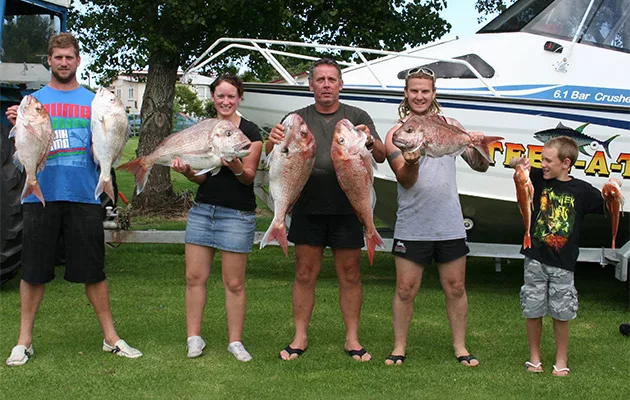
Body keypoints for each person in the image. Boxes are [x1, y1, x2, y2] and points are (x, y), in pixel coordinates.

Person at [4, 33, 142, 366]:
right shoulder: (30, 102)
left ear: (78, 61)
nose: (64, 62)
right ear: (48, 60)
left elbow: (102, 149)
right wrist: (18, 127)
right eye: (58, 57)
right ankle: (24, 341)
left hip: (84, 195)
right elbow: (20, 156)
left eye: (69, 57)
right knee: (33, 272)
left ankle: (111, 337)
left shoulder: (95, 101)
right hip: (41, 197)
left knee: (93, 271)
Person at [266, 58, 386, 361]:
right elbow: (275, 157)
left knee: (350, 274)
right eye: (320, 80)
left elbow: (382, 155)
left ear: (341, 84)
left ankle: (352, 339)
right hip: (307, 205)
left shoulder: (357, 116)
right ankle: (300, 336)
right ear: (310, 85)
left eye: (332, 80)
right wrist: (271, 141)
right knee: (305, 273)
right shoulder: (296, 117)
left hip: (349, 207)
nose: (326, 85)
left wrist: (369, 140)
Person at [383, 67, 488, 367]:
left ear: (433, 94)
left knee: (456, 287)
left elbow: (480, 165)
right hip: (412, 224)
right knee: (405, 289)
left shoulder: (452, 125)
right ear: (406, 93)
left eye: (425, 91)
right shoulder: (396, 134)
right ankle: (399, 347)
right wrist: (413, 162)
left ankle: (461, 347)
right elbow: (405, 179)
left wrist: (477, 144)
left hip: (449, 222)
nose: (419, 96)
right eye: (413, 91)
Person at [509, 138, 621, 376]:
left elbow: (608, 204)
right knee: (532, 309)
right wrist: (519, 163)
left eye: (548, 160)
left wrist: (614, 186)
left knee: (562, 313)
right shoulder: (536, 178)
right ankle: (534, 358)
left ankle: (561, 360)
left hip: (564, 264)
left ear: (566, 163)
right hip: (535, 259)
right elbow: (514, 165)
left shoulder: (581, 190)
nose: (543, 164)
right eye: (541, 160)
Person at [171, 74, 263, 361]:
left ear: (240, 98)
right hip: (203, 210)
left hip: (238, 215)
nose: (225, 101)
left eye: (231, 96)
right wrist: (187, 172)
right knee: (194, 277)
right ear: (213, 97)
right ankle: (193, 338)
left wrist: (235, 164)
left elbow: (247, 179)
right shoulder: (203, 129)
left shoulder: (250, 133)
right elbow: (201, 179)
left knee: (234, 283)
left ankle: (235, 341)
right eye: (220, 96)